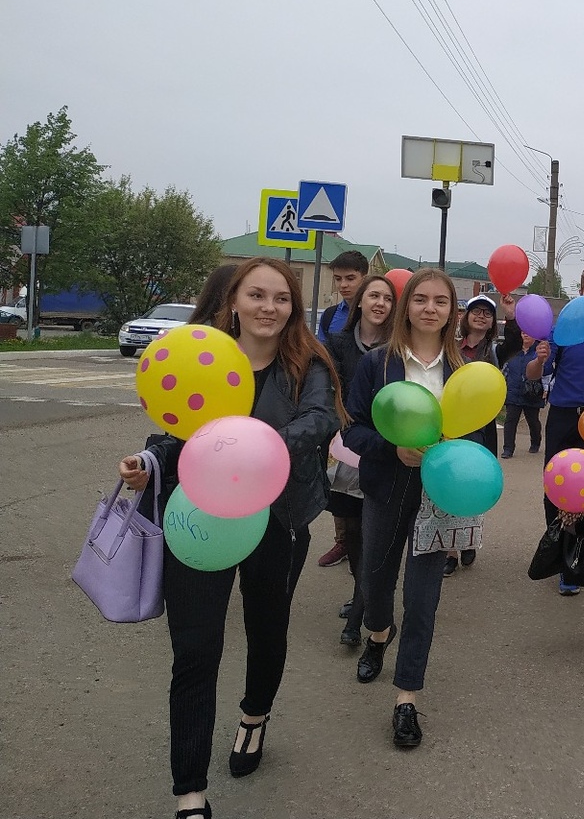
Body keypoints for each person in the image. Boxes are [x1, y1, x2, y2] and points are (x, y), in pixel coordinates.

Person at [118, 257, 343, 819]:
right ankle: (189, 793)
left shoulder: (308, 362)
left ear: (293, 307)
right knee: (195, 649)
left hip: (279, 516)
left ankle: (254, 715)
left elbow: (321, 420)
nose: (269, 307)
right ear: (234, 302)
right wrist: (149, 461)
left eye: (281, 298)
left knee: (267, 627)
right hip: (199, 518)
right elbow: (175, 430)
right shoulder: (205, 354)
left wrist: (251, 446)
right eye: (257, 295)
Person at [343, 268, 485, 749]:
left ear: (451, 311)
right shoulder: (377, 364)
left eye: (440, 301)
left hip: (440, 492)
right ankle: (378, 634)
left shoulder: (464, 371)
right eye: (421, 299)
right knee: (375, 580)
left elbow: (477, 430)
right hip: (388, 484)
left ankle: (406, 697)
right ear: (407, 307)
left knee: (423, 598)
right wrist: (393, 448)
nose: (430, 308)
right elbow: (352, 430)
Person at [526, 264, 584, 596]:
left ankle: (580, 556)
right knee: (557, 485)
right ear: (579, 293)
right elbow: (533, 374)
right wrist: (540, 359)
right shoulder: (560, 331)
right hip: (564, 418)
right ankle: (561, 555)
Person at [324, 274, 395, 645]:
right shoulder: (338, 343)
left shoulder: (399, 347)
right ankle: (361, 593)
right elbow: (329, 390)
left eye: (387, 298)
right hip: (345, 444)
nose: (380, 303)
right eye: (374, 296)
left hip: (384, 449)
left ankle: (359, 614)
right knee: (351, 532)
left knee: (374, 532)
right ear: (361, 302)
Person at [316, 249, 371, 568]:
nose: (344, 285)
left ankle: (367, 541)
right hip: (339, 408)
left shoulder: (378, 311)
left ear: (365, 277)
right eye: (338, 279)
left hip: (372, 410)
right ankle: (343, 542)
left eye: (351, 278)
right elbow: (322, 359)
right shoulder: (329, 316)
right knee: (338, 477)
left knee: (366, 477)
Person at [444, 294, 502, 575]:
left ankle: (467, 538)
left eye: (487, 313)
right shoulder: (449, 346)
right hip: (449, 425)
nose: (481, 316)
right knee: (449, 483)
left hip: (478, 429)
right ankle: (450, 551)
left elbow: (517, 341)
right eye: (476, 311)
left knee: (471, 483)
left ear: (492, 323)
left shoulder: (494, 350)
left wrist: (512, 313)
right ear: (465, 317)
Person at [501, 330, 544, 458]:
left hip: (531, 393)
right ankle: (508, 449)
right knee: (510, 421)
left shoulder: (538, 352)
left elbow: (545, 372)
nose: (525, 334)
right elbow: (504, 372)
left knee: (533, 421)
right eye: (523, 332)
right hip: (513, 393)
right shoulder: (513, 352)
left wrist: (546, 389)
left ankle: (535, 442)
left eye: (528, 332)